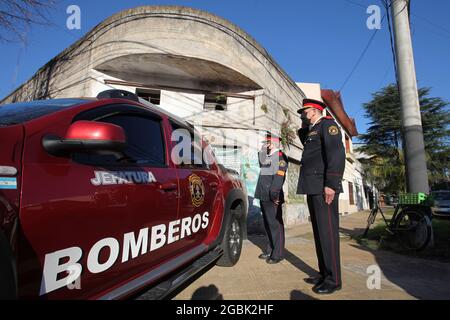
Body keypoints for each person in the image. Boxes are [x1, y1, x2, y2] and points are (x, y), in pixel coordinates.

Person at [296, 98, 346, 294]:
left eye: (305, 111)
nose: (302, 114)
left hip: (323, 187)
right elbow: (304, 138)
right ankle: (324, 274)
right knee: (319, 234)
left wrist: (331, 185)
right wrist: (304, 123)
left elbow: (336, 155)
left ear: (315, 110)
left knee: (328, 235)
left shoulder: (328, 125)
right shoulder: (313, 129)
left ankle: (334, 280)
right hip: (313, 186)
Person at [254, 133, 288, 264]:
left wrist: (275, 195)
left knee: (275, 226)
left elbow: (279, 177)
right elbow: (260, 161)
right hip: (264, 195)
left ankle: (278, 253)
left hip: (273, 197)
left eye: (267, 141)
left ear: (273, 142)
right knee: (268, 225)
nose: (265, 143)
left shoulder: (280, 157)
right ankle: (270, 249)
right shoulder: (268, 156)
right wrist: (263, 148)